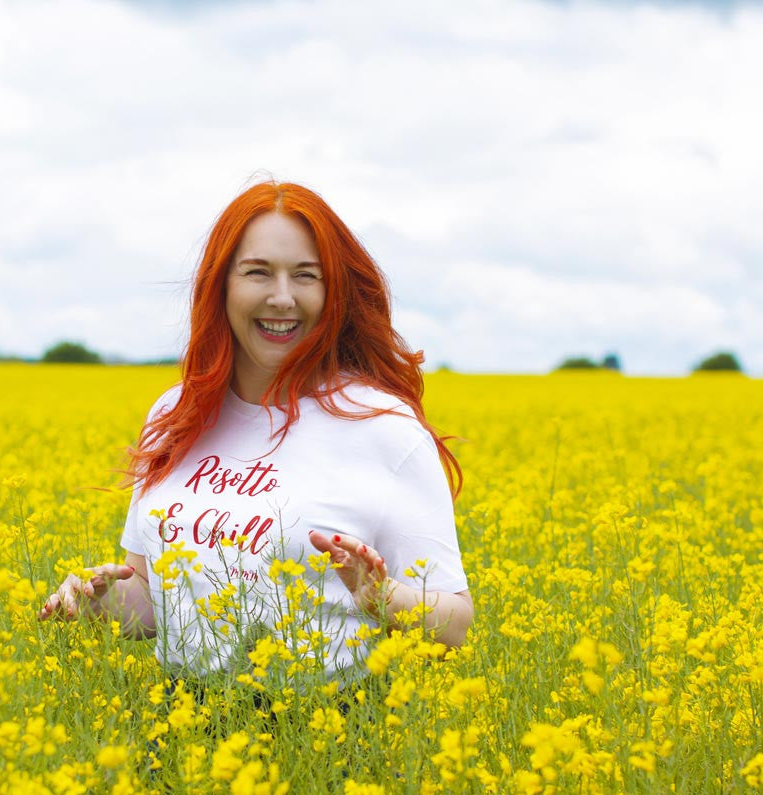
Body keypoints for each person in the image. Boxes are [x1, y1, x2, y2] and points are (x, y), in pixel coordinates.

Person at [40, 181, 472, 683]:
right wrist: (96, 603)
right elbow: (156, 598)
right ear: (221, 285)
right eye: (258, 273)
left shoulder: (383, 428)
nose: (282, 297)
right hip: (181, 731)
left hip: (327, 741)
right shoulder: (175, 414)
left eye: (306, 276)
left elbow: (456, 628)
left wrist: (381, 596)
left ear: (334, 293)